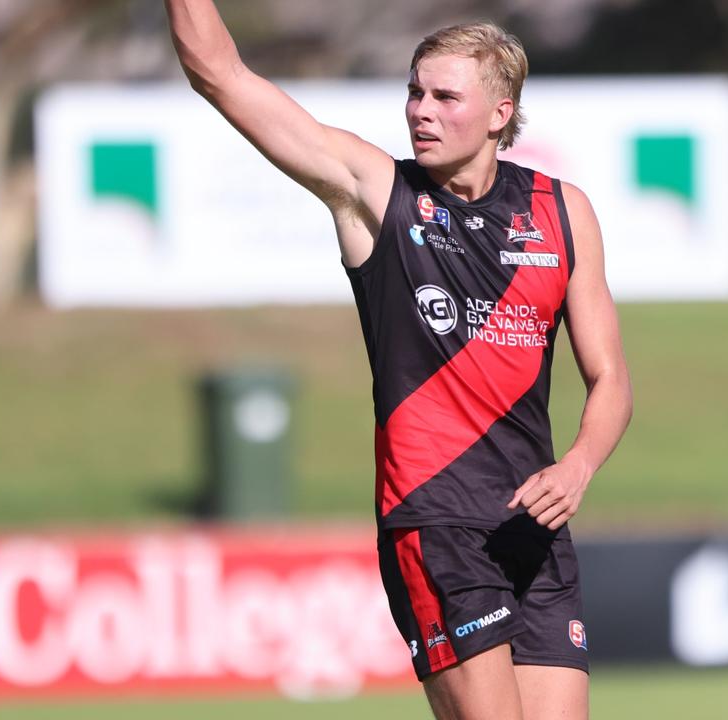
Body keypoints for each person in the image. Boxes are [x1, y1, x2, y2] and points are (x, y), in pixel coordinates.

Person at [166, 4, 632, 718]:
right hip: (437, 523)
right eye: (415, 92)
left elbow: (611, 381)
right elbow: (219, 73)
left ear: (500, 113)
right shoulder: (377, 193)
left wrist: (578, 466)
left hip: (534, 528)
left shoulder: (562, 212)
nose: (421, 110)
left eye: (446, 97)